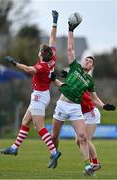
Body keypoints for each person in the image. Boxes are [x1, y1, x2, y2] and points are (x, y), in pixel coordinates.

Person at [49, 12, 116, 175]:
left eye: (91, 61)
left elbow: (94, 98)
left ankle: (91, 165)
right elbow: (70, 48)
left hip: (81, 111)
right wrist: (71, 29)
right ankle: (53, 154)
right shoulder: (74, 68)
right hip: (63, 106)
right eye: (86, 59)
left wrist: (104, 105)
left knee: (83, 138)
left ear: (91, 67)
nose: (88, 61)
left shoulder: (89, 82)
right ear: (82, 61)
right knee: (57, 137)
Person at [0, 10, 61, 168]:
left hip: (39, 96)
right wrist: (55, 21)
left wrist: (14, 62)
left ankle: (54, 152)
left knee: (38, 127)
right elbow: (52, 38)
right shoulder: (52, 58)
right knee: (25, 121)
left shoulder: (41, 66)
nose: (38, 52)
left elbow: (28, 69)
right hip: (41, 94)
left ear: (41, 55)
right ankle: (14, 148)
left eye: (40, 51)